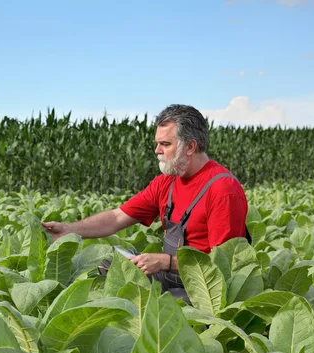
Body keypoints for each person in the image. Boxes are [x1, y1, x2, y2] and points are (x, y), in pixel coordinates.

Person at [42, 104, 249, 294]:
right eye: (157, 144)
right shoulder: (166, 182)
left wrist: (166, 262)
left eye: (165, 144)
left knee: (155, 310)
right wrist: (69, 230)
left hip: (205, 291)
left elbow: (222, 266)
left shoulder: (222, 190)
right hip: (173, 277)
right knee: (108, 264)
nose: (157, 151)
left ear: (190, 147)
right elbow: (116, 218)